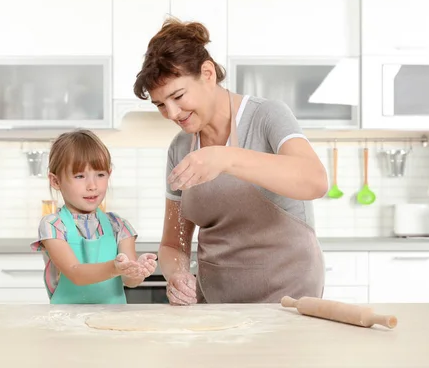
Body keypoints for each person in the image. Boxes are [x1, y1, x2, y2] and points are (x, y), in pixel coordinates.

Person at [133, 18, 329, 305]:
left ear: (208, 73)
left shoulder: (267, 116)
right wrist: (177, 275)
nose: (172, 113)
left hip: (289, 302)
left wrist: (225, 157)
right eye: (161, 104)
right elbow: (174, 243)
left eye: (178, 96)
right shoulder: (180, 149)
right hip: (217, 306)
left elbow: (315, 180)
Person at [30, 129, 157, 304]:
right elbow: (76, 273)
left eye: (100, 175)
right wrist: (114, 267)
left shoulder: (118, 226)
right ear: (56, 181)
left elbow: (130, 281)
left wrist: (138, 270)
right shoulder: (54, 226)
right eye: (80, 176)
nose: (92, 185)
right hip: (66, 323)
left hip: (112, 322)